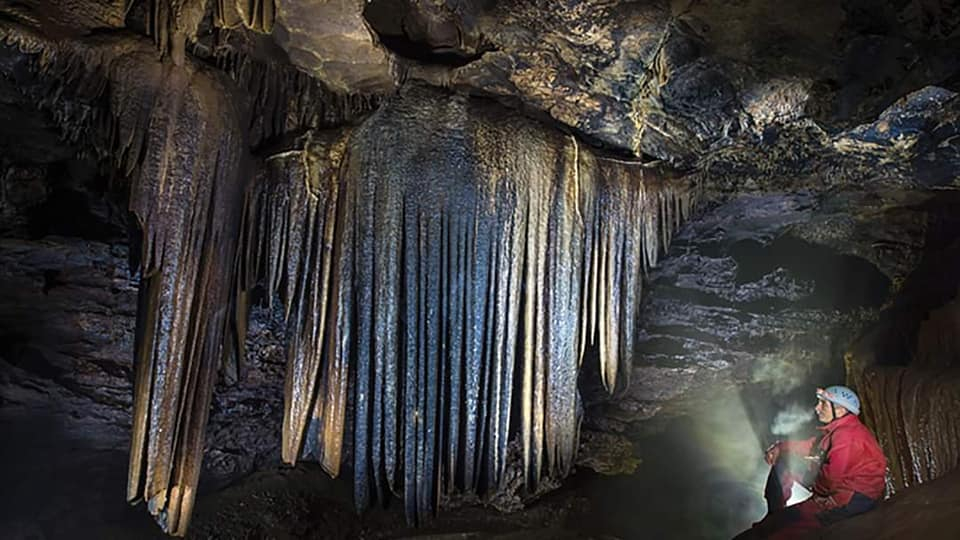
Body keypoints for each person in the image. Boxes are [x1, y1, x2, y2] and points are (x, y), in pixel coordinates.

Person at [732, 386, 887, 540]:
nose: (817, 408)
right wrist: (781, 447)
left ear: (840, 410)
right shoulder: (838, 431)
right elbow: (812, 446)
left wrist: (815, 495)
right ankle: (774, 513)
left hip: (851, 499)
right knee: (784, 466)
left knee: (786, 529)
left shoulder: (847, 436)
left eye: (824, 404)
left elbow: (832, 480)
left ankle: (775, 522)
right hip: (839, 491)